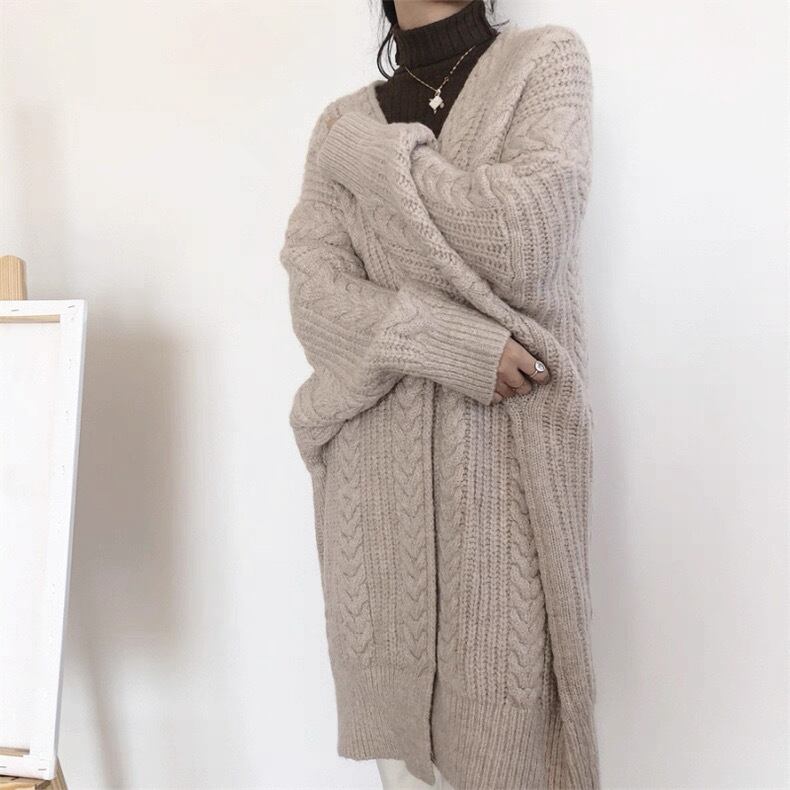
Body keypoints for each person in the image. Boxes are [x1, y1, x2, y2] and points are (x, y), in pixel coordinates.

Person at [279, 1, 599, 788]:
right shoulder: (339, 124)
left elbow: (524, 241)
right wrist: (457, 341)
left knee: (508, 752)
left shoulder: (545, 63)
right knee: (403, 769)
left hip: (501, 486)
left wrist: (382, 163)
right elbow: (316, 300)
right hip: (374, 502)